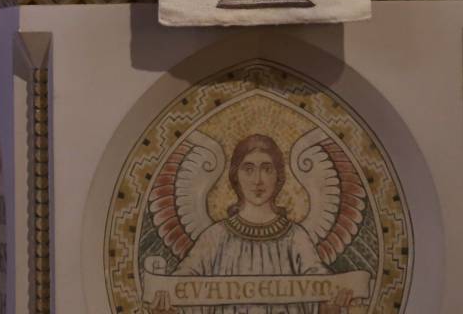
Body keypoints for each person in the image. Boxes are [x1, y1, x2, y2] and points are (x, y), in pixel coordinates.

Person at [150, 135, 355, 314]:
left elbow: (321, 294)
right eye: (248, 169)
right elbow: (180, 290)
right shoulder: (215, 236)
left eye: (267, 169)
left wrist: (332, 306)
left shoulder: (296, 237)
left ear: (278, 177)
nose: (258, 180)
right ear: (236, 176)